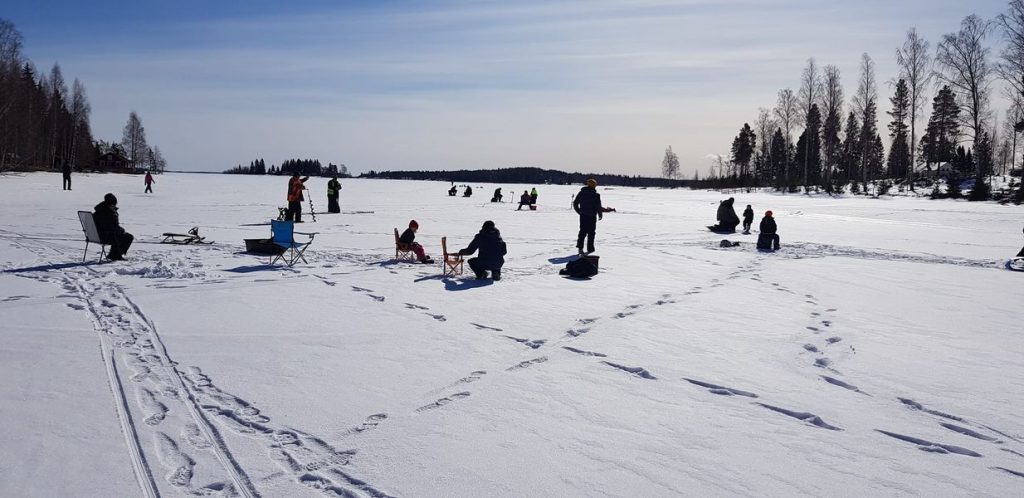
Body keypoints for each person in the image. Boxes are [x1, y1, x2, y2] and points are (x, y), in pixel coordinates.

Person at [93, 193, 134, 261]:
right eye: (113, 205)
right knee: (128, 237)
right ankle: (115, 255)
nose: (114, 206)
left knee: (117, 235)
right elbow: (114, 228)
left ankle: (113, 254)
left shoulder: (98, 211)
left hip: (96, 235)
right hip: (104, 236)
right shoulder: (109, 213)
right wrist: (122, 230)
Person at [573, 179, 603, 255]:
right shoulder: (596, 195)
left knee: (582, 231)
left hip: (584, 215)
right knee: (591, 233)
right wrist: (600, 214)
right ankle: (590, 248)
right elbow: (598, 206)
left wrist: (579, 211)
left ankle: (580, 248)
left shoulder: (582, 193)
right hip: (592, 216)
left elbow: (575, 203)